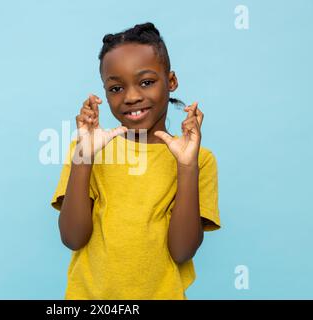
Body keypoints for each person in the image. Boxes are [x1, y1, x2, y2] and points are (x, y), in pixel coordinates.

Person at [50, 22, 221, 300]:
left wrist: (186, 166)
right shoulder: (86, 150)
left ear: (172, 81)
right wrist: (84, 157)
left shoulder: (199, 159)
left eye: (146, 82)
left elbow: (182, 251)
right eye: (116, 88)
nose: (131, 97)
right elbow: (73, 238)